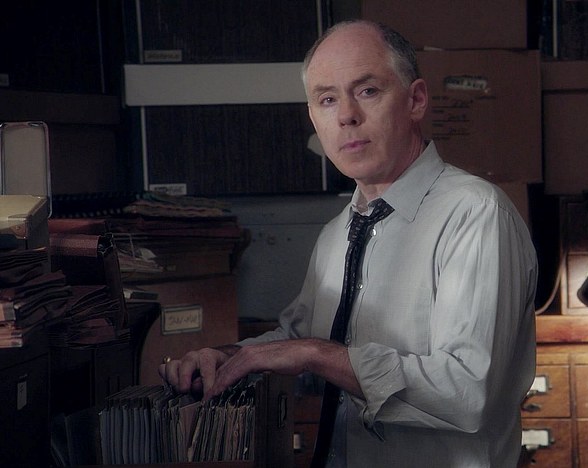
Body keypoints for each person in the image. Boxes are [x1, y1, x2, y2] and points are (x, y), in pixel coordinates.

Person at [158, 19, 538, 468]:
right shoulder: (337, 233)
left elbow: (467, 392)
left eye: (367, 91)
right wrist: (226, 358)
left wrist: (314, 354)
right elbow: (296, 340)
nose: (346, 116)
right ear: (314, 117)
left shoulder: (475, 213)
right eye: (327, 99)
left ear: (415, 100)